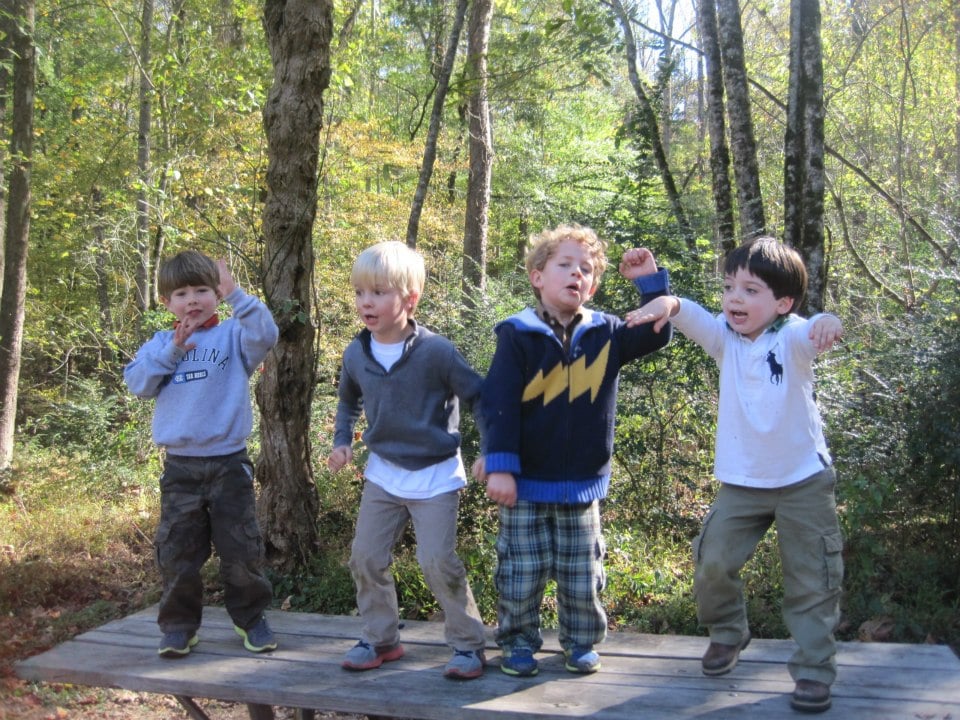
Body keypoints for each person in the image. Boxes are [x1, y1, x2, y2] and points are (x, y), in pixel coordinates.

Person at [625, 236, 844, 713]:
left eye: (750, 290)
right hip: (742, 483)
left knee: (812, 579)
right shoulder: (724, 336)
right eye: (729, 287)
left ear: (782, 303)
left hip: (803, 480)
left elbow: (816, 331)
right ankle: (728, 633)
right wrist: (663, 296)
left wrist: (829, 322)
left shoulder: (791, 336)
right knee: (712, 561)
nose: (734, 299)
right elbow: (688, 313)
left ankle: (812, 669)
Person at [477, 224, 672, 677]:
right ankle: (518, 642)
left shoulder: (606, 332)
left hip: (583, 484)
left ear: (595, 285)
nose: (575, 274)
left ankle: (580, 642)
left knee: (582, 576)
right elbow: (497, 403)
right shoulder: (517, 334)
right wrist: (501, 467)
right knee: (521, 575)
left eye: (585, 269)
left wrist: (650, 283)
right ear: (537, 276)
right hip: (524, 485)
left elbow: (655, 332)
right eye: (563, 265)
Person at [327, 240, 488, 680]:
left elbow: (481, 398)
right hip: (383, 473)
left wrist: (491, 452)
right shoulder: (356, 353)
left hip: (435, 475)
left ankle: (469, 645)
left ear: (409, 298)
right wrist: (343, 441)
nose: (366, 302)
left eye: (378, 292)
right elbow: (347, 401)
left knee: (436, 561)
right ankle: (381, 639)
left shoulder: (437, 352)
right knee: (365, 557)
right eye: (360, 292)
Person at [124, 250, 280, 659]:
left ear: (215, 293)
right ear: (167, 302)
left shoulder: (233, 335)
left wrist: (237, 295)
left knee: (242, 550)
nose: (192, 299)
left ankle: (251, 619)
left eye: (202, 290)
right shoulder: (160, 343)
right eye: (181, 293)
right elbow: (138, 384)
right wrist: (172, 351)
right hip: (181, 468)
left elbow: (267, 334)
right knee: (177, 553)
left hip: (230, 464)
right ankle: (178, 627)